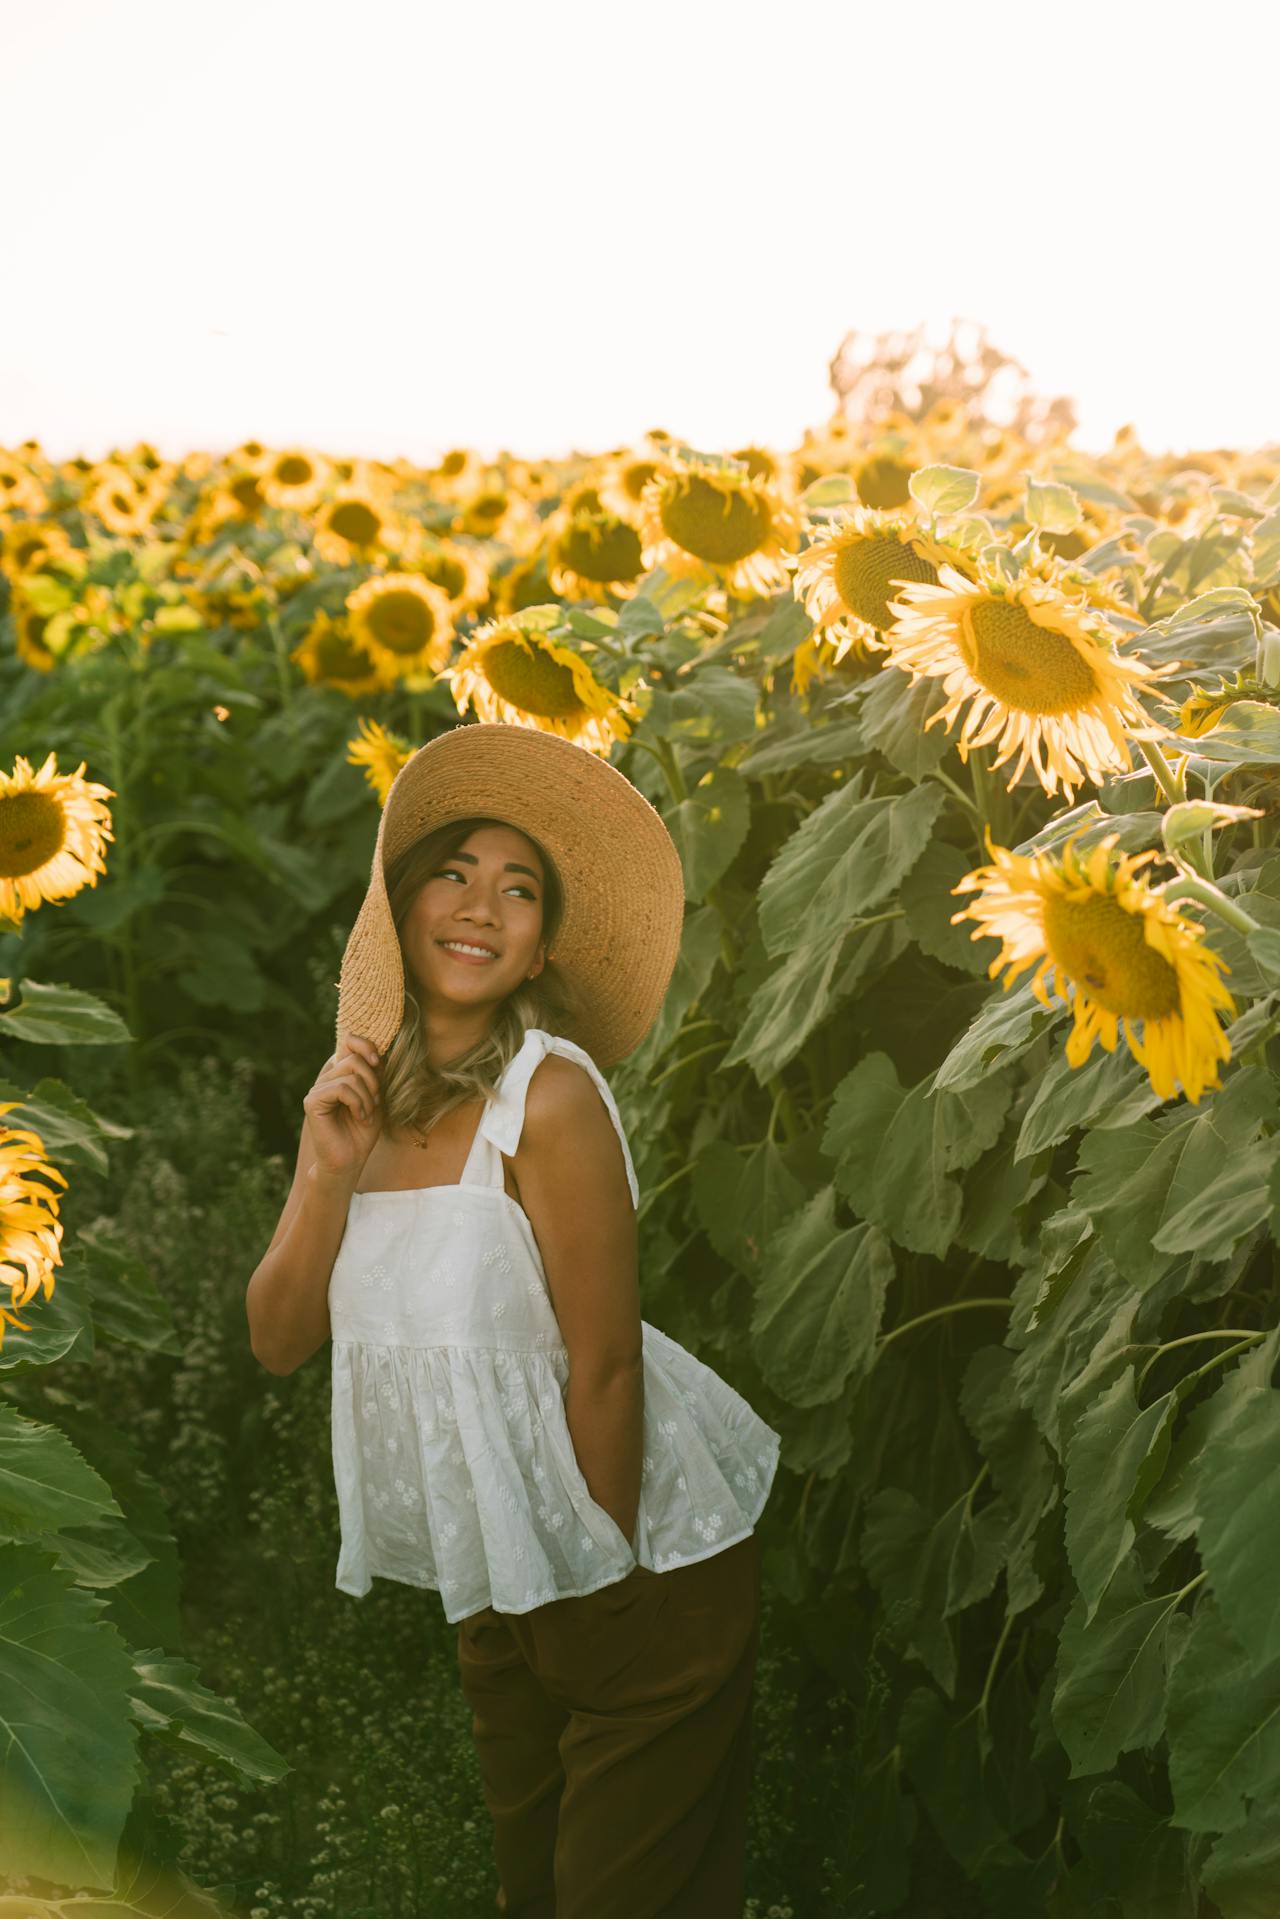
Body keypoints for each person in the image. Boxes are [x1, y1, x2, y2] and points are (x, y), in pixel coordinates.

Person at [246, 720, 782, 1919]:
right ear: (402, 903)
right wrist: (322, 1171)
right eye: (453, 870)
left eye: (518, 887)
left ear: (540, 944)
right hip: (495, 1580)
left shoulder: (545, 1097)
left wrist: (599, 1589)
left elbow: (601, 1364)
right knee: (532, 1892)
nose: (481, 904)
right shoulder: (354, 1103)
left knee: (615, 1895)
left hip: (635, 1562)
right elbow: (277, 1338)